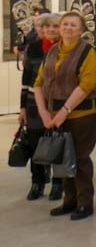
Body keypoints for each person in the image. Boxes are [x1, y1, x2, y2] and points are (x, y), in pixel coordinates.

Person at [35, 12, 96, 221]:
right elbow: (38, 83)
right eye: (65, 24)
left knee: (80, 159)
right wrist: (44, 112)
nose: (68, 28)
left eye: (73, 25)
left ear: (81, 30)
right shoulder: (52, 51)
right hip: (54, 115)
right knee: (62, 159)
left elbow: (86, 85)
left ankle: (84, 203)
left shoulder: (88, 52)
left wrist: (64, 110)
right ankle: (69, 200)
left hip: (82, 115)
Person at [20, 13, 61, 201]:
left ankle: (59, 183)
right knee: (35, 143)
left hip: (57, 103)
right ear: (41, 29)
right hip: (33, 102)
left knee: (58, 142)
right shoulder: (33, 48)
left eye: (55, 26)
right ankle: (37, 181)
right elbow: (26, 79)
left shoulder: (65, 48)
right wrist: (22, 108)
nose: (51, 30)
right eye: (47, 26)